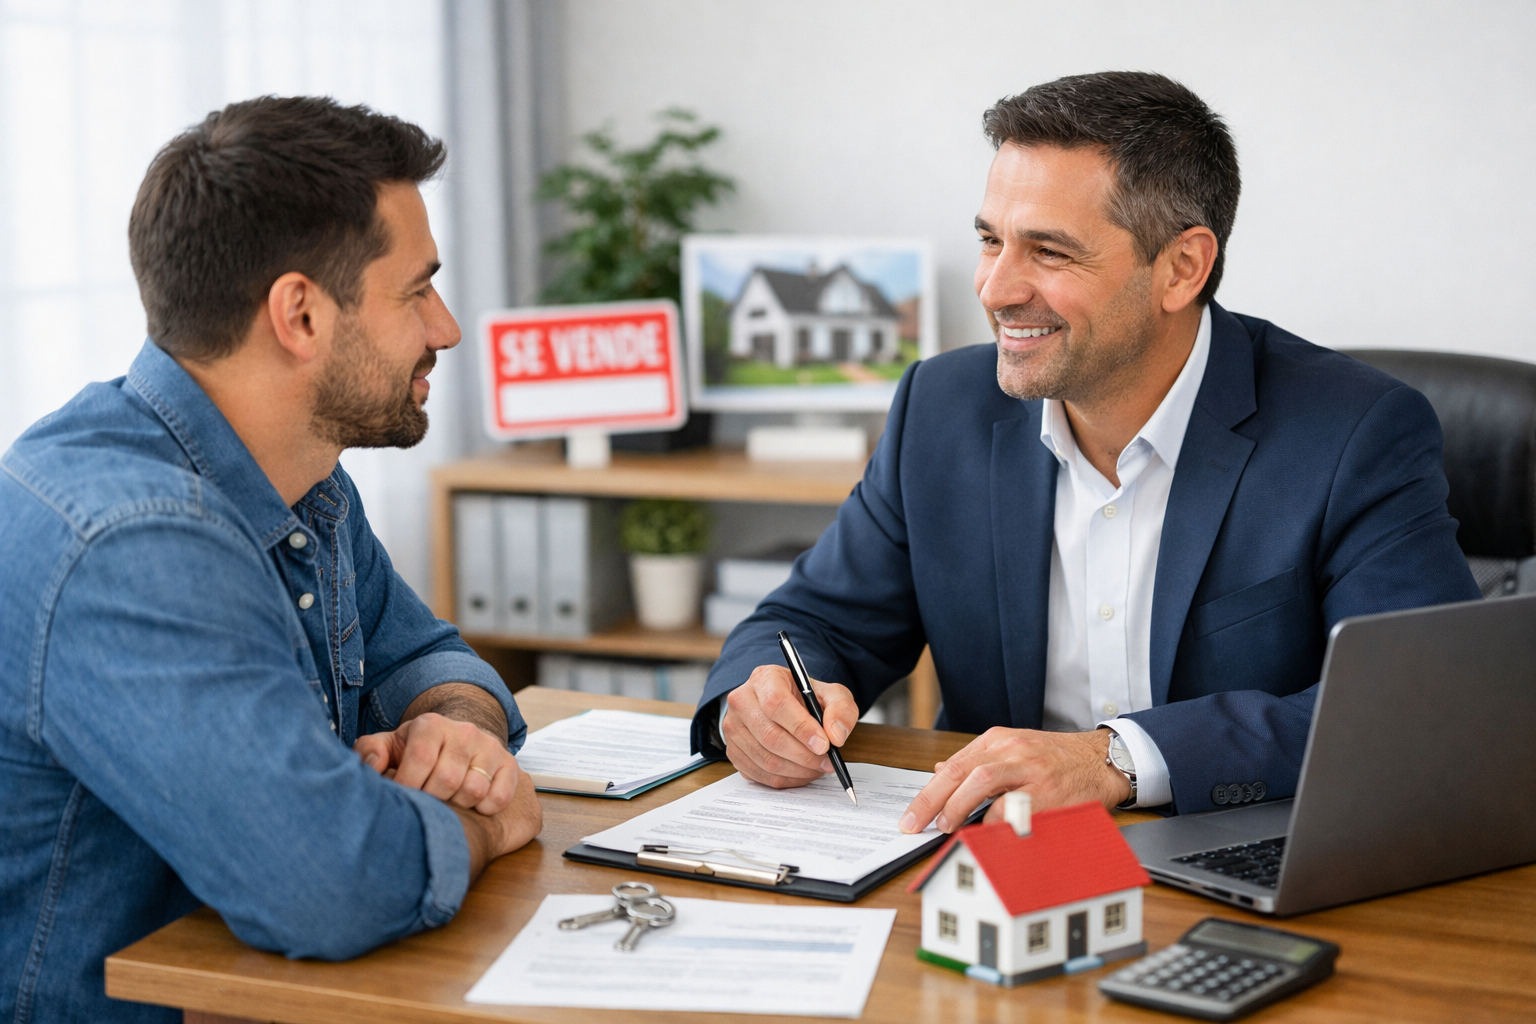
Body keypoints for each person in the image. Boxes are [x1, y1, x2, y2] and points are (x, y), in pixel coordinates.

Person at [694, 71, 1479, 835]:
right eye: (991, 240)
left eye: (1050, 252)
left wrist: (1118, 760)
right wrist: (758, 699)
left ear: (1182, 268)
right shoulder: (941, 408)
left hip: (1237, 855)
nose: (995, 289)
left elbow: (1417, 703)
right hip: (993, 861)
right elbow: (812, 620)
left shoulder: (1354, 432)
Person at [0, 97, 542, 1024]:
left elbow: (423, 656)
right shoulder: (133, 545)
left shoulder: (300, 478)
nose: (446, 328)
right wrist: (482, 820)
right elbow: (329, 882)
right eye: (416, 291)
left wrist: (459, 732)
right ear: (300, 314)